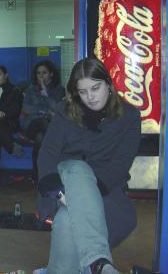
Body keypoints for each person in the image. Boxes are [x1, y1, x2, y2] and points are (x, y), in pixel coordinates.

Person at [34, 57, 141, 274]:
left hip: (104, 188)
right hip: (61, 182)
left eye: (95, 88)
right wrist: (56, 190)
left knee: (66, 220)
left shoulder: (129, 116)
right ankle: (97, 262)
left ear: (108, 84)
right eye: (82, 92)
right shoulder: (66, 111)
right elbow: (48, 153)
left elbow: (121, 162)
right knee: (77, 167)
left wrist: (88, 191)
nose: (90, 97)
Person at [22, 60, 65, 184]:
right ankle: (48, 173)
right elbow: (27, 108)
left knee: (40, 139)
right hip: (31, 125)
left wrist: (46, 93)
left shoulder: (59, 90)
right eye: (38, 73)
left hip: (47, 129)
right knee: (43, 124)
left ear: (51, 74)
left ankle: (38, 176)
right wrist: (45, 111)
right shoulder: (31, 89)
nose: (41, 76)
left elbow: (58, 108)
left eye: (44, 73)